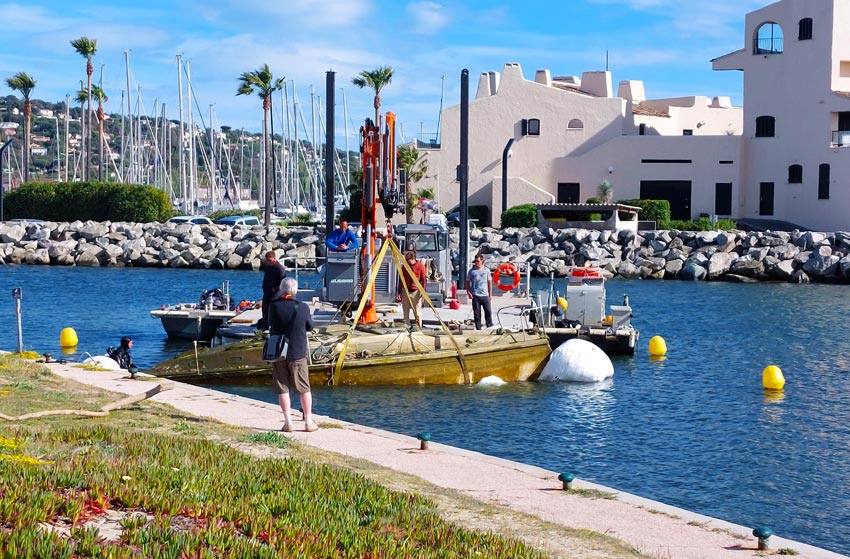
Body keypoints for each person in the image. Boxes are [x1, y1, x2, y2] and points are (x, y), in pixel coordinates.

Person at [268, 277, 317, 433]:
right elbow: (310, 326)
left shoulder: (273, 306)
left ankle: (288, 422)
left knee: (282, 387)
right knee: (304, 388)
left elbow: (270, 323)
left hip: (278, 352)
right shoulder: (302, 307)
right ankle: (308, 422)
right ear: (295, 291)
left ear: (282, 290)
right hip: (297, 352)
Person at [397, 250, 427, 329]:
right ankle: (407, 327)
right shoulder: (404, 267)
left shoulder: (420, 266)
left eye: (408, 260)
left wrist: (423, 292)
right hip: (406, 291)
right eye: (406, 260)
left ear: (413, 258)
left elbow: (423, 280)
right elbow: (401, 279)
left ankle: (418, 327)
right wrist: (399, 291)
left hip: (416, 292)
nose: (406, 261)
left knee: (417, 312)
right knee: (405, 312)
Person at [260, 250, 286, 330]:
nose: (268, 262)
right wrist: (264, 288)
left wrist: (274, 290)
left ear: (274, 259)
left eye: (269, 260)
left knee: (273, 312)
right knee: (265, 311)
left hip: (275, 294)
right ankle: (265, 329)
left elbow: (282, 283)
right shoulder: (268, 267)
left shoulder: (280, 269)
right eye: (267, 260)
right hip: (267, 293)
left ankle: (273, 329)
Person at [466, 254, 493, 330]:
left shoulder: (486, 270)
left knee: (488, 312)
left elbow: (489, 282)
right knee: (477, 314)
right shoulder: (471, 271)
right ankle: (478, 328)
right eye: (475, 261)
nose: (476, 263)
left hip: (485, 295)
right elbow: (467, 282)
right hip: (475, 295)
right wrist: (468, 292)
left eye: (478, 261)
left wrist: (490, 294)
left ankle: (490, 327)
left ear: (482, 261)